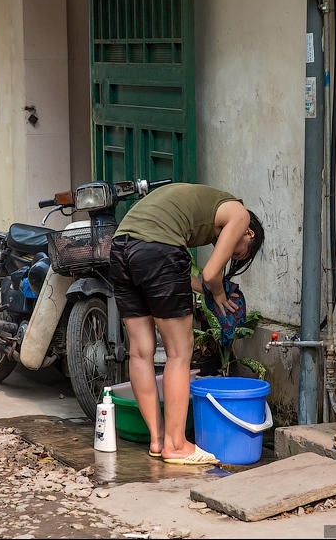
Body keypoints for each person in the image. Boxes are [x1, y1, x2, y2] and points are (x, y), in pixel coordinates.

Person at [108, 183, 265, 465]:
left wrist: (206, 289)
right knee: (179, 352)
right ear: (249, 234)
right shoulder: (239, 214)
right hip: (157, 249)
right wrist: (217, 293)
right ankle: (177, 444)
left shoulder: (198, 210)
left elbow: (178, 273)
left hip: (121, 249)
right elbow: (210, 274)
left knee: (140, 351)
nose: (229, 252)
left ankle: (158, 441)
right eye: (238, 252)